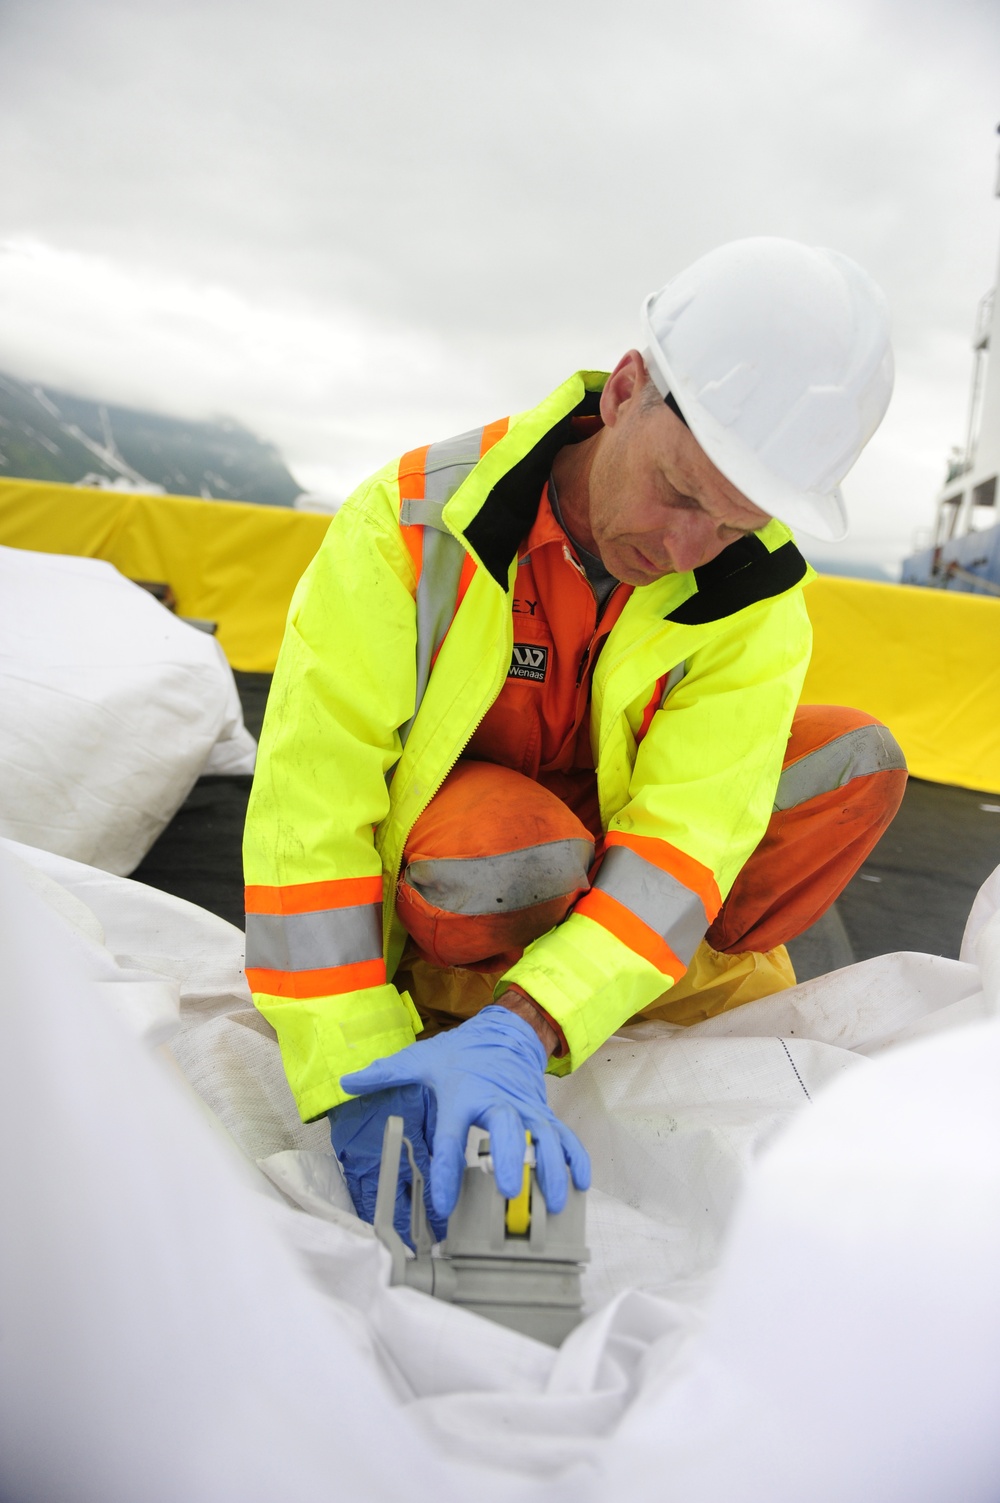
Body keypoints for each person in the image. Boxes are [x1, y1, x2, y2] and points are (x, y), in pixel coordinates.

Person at [243, 237, 906, 1241]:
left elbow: (687, 841)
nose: (682, 552)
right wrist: (352, 1061)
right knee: (504, 851)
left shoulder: (757, 595)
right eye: (680, 494)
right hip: (490, 864)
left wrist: (527, 1025)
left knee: (847, 762)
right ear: (626, 390)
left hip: (587, 870)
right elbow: (312, 811)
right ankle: (463, 988)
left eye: (729, 528)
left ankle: (615, 989)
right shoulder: (413, 526)